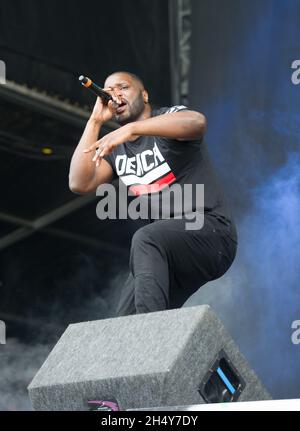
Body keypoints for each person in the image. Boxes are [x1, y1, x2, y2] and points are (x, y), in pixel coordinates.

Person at [69, 71, 238, 316]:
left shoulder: (167, 118)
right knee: (123, 322)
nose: (114, 94)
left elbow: (197, 122)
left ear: (144, 95)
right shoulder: (117, 147)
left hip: (211, 232)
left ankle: (149, 334)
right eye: (108, 91)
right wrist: (95, 121)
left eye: (123, 87)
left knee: (145, 239)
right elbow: (79, 183)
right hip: (169, 251)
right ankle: (146, 346)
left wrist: (131, 129)